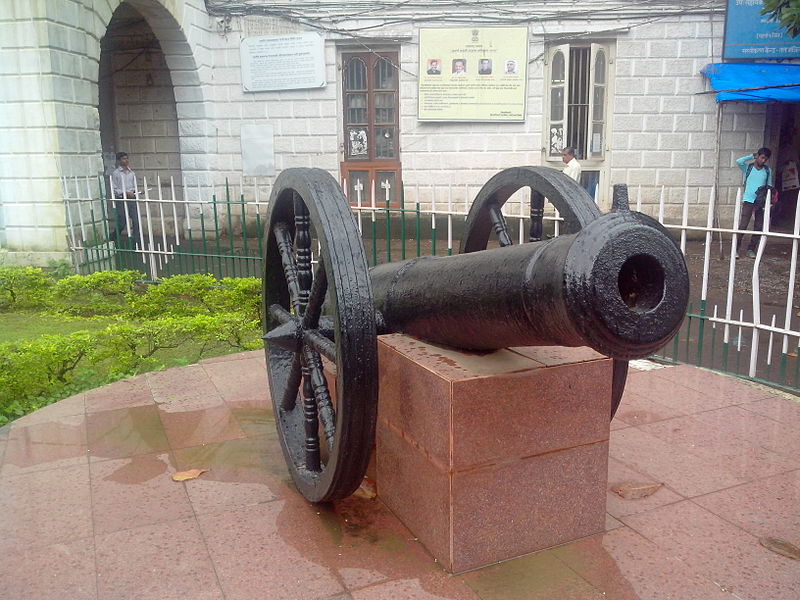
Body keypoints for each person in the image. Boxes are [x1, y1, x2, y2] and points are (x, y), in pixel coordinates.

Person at [736, 147, 773, 259]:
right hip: (748, 200)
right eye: (762, 158)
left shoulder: (767, 171)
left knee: (758, 227)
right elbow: (739, 161)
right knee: (743, 225)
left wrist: (769, 201)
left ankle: (751, 249)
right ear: (758, 156)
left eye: (765, 159)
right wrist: (752, 156)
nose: (763, 161)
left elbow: (769, 186)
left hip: (760, 202)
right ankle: (736, 249)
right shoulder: (748, 168)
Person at [110, 152, 141, 243]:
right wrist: (125, 193)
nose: (126, 160)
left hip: (131, 199)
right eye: (123, 159)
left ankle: (136, 239)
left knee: (136, 220)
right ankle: (114, 236)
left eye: (127, 158)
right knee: (122, 221)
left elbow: (132, 186)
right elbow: (115, 188)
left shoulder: (131, 173)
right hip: (121, 199)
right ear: (119, 161)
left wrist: (137, 191)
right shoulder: (116, 173)